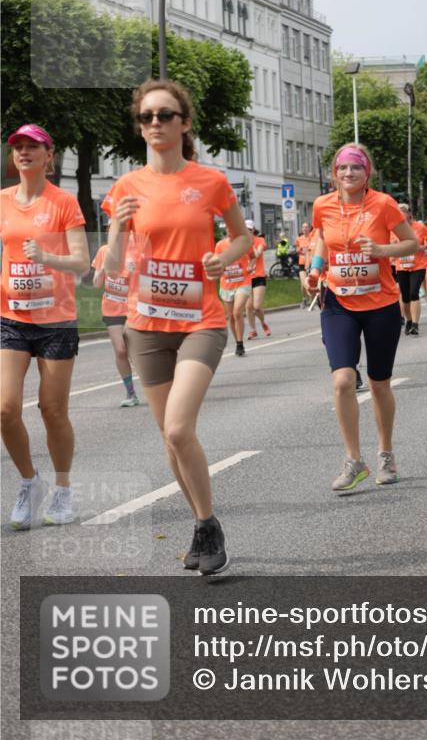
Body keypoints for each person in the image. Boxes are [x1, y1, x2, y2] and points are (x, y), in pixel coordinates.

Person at [103, 79, 252, 576]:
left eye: (165, 115)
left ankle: (208, 523)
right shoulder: (125, 189)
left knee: (178, 427)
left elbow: (241, 238)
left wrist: (221, 258)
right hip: (145, 325)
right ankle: (200, 522)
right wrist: (120, 227)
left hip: (201, 322)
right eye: (146, 117)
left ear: (184, 123)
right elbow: (117, 268)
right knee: (170, 440)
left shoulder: (209, 181)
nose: (155, 124)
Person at [307, 143, 418, 491]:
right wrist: (314, 268)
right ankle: (354, 460)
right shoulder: (322, 205)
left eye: (355, 168)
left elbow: (411, 243)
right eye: (342, 168)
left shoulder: (383, 204)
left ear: (366, 172)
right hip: (338, 301)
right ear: (334, 173)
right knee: (342, 381)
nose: (348, 174)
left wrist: (384, 250)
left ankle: (385, 453)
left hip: (381, 304)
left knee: (379, 382)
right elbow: (322, 238)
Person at [1, 124, 89, 529]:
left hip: (56, 321)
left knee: (53, 411)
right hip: (12, 317)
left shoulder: (63, 203)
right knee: (4, 409)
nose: (23, 152)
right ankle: (28, 482)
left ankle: (63, 490)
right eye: (17, 146)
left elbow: (82, 263)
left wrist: (47, 259)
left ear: (48, 155)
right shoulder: (2, 202)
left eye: (31, 147)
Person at [91, 237, 140, 407]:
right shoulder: (104, 251)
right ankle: (131, 393)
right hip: (112, 309)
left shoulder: (137, 250)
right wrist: (103, 267)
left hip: (134, 308)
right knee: (120, 351)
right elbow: (97, 284)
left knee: (136, 354)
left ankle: (159, 385)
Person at [395, 204, 427, 336]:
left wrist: (421, 247)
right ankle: (409, 320)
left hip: (418, 265)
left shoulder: (420, 227)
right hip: (402, 266)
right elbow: (390, 244)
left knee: (413, 293)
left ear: (409, 213)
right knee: (405, 297)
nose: (400, 214)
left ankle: (415, 324)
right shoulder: (394, 228)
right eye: (397, 212)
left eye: (403, 212)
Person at [215, 232, 255, 357]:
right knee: (230, 317)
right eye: (228, 228)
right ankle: (238, 341)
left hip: (243, 282)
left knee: (237, 312)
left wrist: (250, 266)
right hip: (226, 284)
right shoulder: (220, 245)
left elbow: (253, 256)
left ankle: (240, 344)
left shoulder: (244, 242)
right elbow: (217, 262)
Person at [246, 222, 271, 339]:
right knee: (248, 307)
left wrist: (251, 245)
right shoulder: (240, 242)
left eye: (249, 230)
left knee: (256, 306)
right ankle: (252, 330)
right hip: (245, 278)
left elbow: (257, 254)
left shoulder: (260, 240)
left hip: (259, 276)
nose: (247, 232)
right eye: (245, 229)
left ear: (253, 230)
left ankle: (263, 323)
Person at [296, 222, 311, 307]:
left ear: (309, 228)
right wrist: (300, 250)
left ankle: (311, 300)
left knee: (310, 283)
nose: (304, 229)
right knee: (303, 283)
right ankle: (304, 298)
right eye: (303, 227)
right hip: (302, 263)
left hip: (310, 263)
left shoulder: (312, 238)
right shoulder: (299, 239)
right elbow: (297, 249)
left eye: (306, 227)